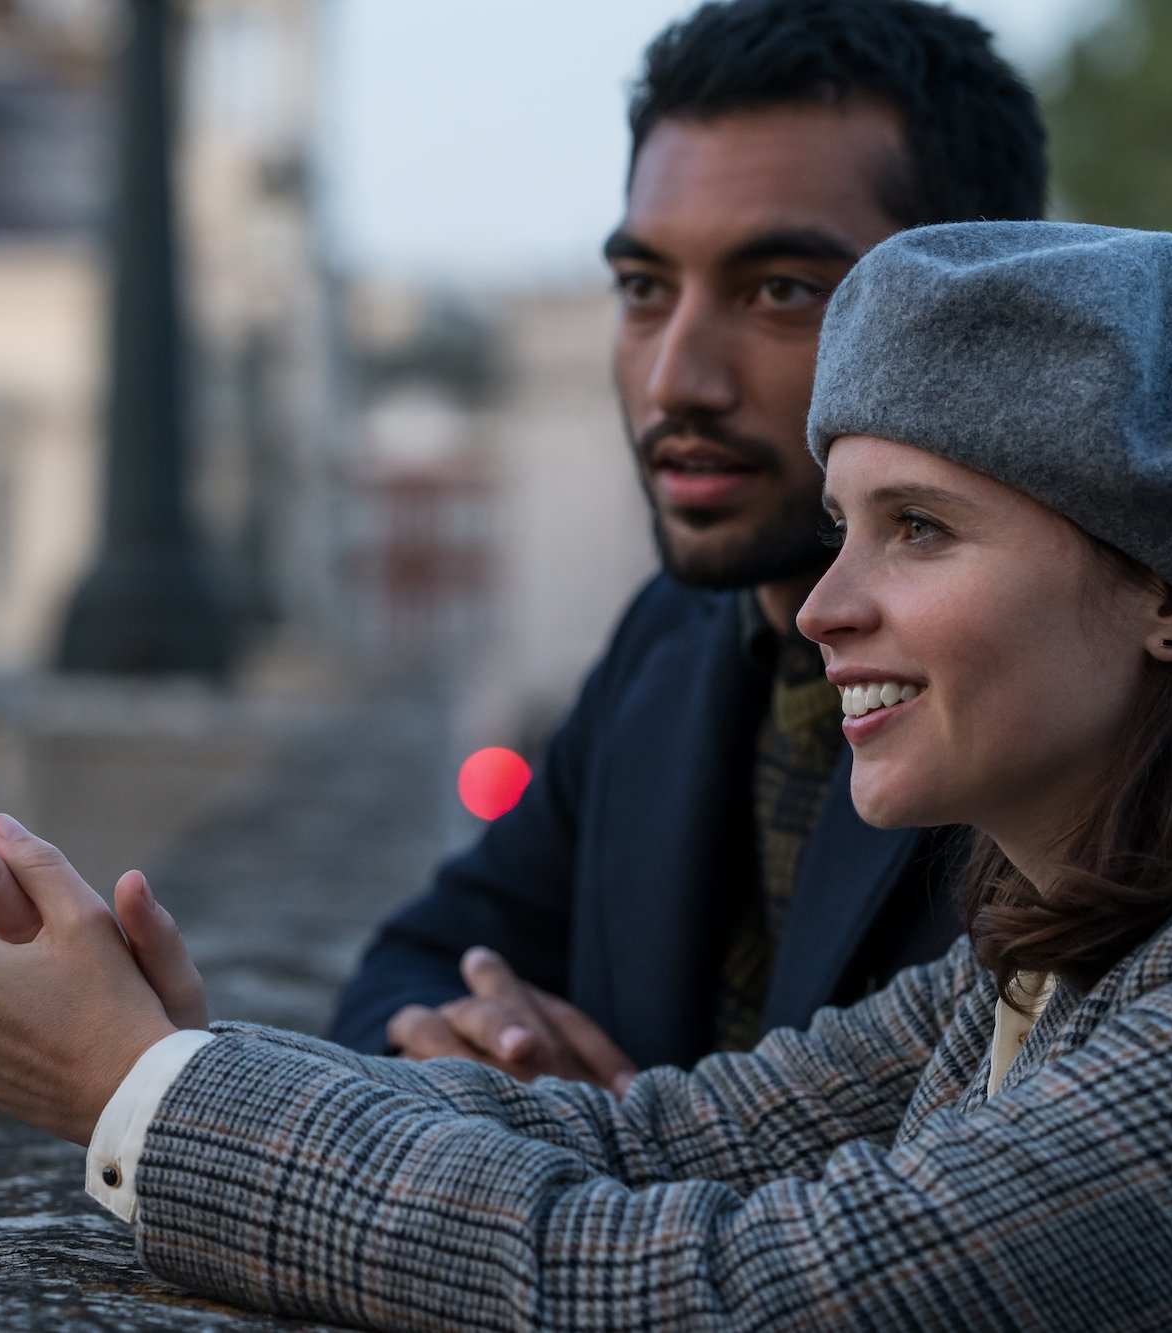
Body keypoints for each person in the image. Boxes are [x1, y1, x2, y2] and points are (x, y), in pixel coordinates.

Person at [0, 220, 1172, 1328]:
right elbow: (644, 1138)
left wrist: (142, 1085)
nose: (824, 606)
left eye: (920, 528)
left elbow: (731, 1291)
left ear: (1164, 593)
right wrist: (163, 1067)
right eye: (842, 526)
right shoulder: (1099, 916)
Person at [330, 0, 1048, 1083]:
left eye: (778, 290)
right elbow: (418, 957)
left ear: (976, 312)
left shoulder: (1062, 695)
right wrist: (464, 1041)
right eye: (642, 289)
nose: (675, 378)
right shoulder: (670, 642)